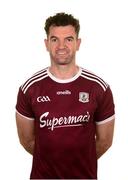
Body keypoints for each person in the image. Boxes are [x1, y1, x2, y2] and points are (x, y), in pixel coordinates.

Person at [16, 12, 115, 179]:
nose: (61, 46)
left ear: (78, 43)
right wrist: (50, 159)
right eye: (55, 40)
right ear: (46, 44)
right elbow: (27, 140)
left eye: (68, 39)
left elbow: (105, 141)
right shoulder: (30, 88)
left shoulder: (98, 87)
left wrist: (80, 160)